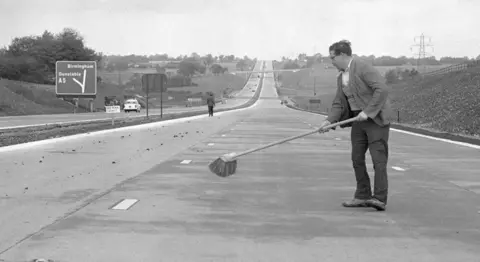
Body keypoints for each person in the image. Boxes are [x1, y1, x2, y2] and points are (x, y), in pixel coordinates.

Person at [319, 40, 392, 211]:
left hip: (375, 120)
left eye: (333, 58)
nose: (332, 62)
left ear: (343, 55)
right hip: (357, 121)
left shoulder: (362, 67)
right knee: (357, 158)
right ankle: (362, 195)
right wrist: (329, 121)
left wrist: (368, 111)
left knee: (378, 160)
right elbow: (339, 103)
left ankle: (379, 198)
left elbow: (382, 89)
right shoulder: (341, 76)